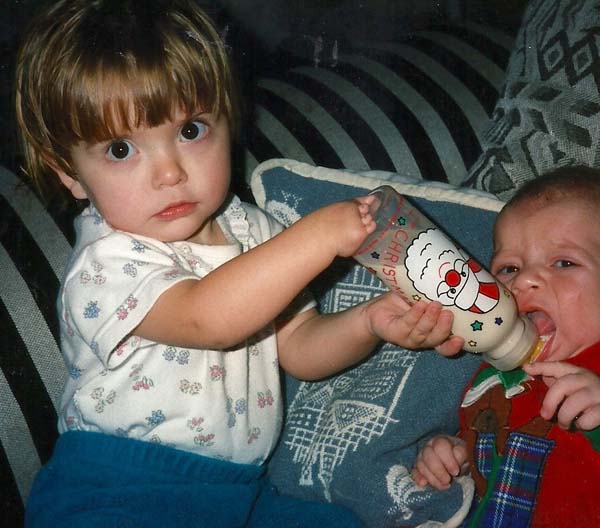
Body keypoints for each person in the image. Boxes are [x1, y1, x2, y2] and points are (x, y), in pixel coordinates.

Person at [15, 1, 458, 526]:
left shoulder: (253, 229)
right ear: (67, 173)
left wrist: (368, 323)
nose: (169, 173)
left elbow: (298, 347)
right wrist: (320, 233)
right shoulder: (104, 262)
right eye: (119, 149)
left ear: (228, 122)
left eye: (190, 131)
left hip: (239, 493)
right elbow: (208, 317)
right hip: (118, 487)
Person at [410, 166, 600, 526]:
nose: (525, 279)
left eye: (563, 262)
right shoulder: (491, 377)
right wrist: (455, 456)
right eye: (509, 269)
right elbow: (488, 465)